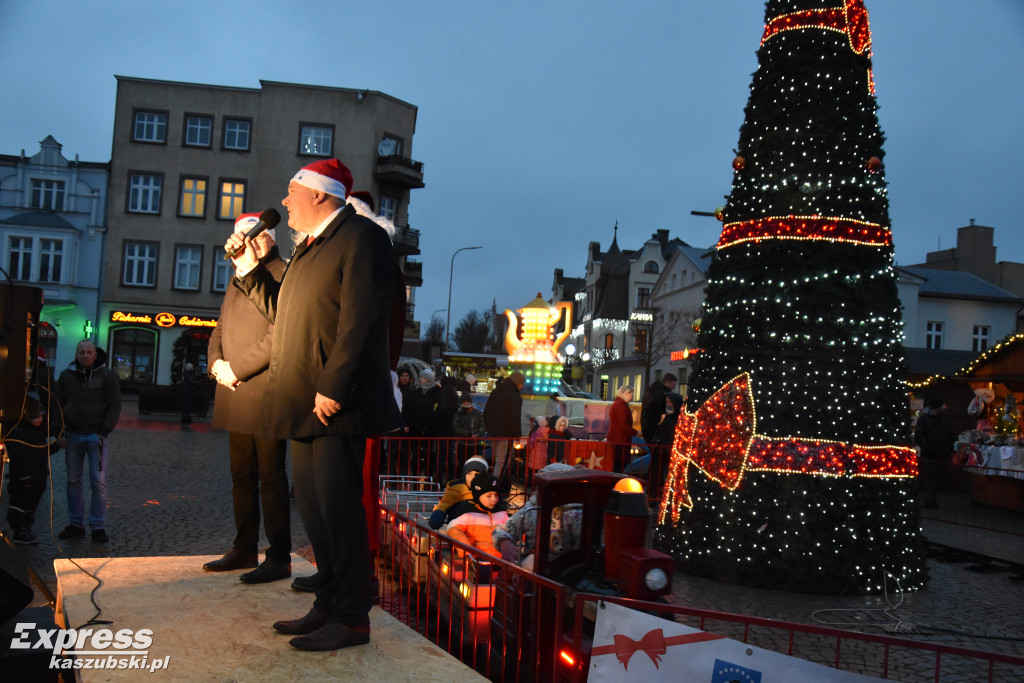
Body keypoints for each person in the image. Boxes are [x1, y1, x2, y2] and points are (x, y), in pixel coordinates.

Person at [227, 157, 400, 651]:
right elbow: (284, 316)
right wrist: (250, 269)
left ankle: (350, 618)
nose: (284, 201)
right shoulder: (310, 248)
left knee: (340, 511)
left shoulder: (362, 238)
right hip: (304, 403)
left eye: (291, 191)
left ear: (320, 194)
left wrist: (335, 384)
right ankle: (327, 602)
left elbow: (362, 320)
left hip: (333, 405)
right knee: (317, 511)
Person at [204, 212, 291, 583]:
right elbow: (220, 325)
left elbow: (279, 335)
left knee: (270, 478)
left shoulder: (283, 274)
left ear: (269, 239)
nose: (248, 242)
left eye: (254, 236)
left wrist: (236, 368)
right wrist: (216, 364)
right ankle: (243, 547)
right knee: (241, 476)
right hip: (234, 389)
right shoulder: (238, 274)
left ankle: (278, 555)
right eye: (241, 236)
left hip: (264, 390)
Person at [54, 340, 121, 542]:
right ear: (76, 355)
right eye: (81, 352)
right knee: (73, 481)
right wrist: (59, 433)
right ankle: (76, 524)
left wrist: (104, 430)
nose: (85, 355)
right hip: (73, 435)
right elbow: (57, 405)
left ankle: (98, 526)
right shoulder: (66, 376)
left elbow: (114, 405)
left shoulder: (107, 376)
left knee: (97, 482)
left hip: (96, 436)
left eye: (89, 352)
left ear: (95, 354)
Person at [493, 462, 582, 570]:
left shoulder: (576, 513)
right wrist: (504, 542)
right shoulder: (532, 507)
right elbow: (505, 528)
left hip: (562, 574)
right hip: (530, 568)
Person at [5, 397, 60, 544]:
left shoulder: (37, 431)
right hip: (24, 475)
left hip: (39, 473)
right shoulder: (18, 432)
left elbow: (41, 451)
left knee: (31, 503)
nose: (40, 419)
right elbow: (19, 456)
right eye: (36, 416)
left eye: (41, 415)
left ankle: (25, 529)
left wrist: (57, 445)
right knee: (21, 502)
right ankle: (20, 530)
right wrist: (23, 476)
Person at [445, 472, 509, 558]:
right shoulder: (469, 515)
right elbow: (454, 531)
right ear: (478, 496)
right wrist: (467, 551)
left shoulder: (502, 513)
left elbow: (514, 529)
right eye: (489, 496)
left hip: (504, 559)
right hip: (479, 559)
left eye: (496, 495)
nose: (494, 499)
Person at [483, 371, 525, 485]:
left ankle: (494, 486)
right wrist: (517, 435)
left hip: (493, 433)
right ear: (517, 383)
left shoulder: (495, 392)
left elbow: (486, 412)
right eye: (521, 384)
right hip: (506, 434)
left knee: (497, 461)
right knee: (502, 463)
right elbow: (515, 418)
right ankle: (495, 487)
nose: (522, 387)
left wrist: (489, 429)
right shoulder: (514, 396)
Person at [427, 455, 490, 530]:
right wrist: (438, 515)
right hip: (459, 528)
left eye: (477, 474)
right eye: (469, 473)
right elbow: (444, 504)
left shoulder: (489, 490)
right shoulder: (456, 489)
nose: (472, 477)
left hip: (481, 528)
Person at [914, 397, 953, 509]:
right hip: (930, 453)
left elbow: (948, 433)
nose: (945, 407)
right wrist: (928, 447)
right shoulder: (925, 419)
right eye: (943, 405)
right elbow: (919, 435)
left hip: (939, 452)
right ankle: (929, 499)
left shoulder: (941, 419)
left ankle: (931, 499)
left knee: (935, 477)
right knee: (930, 477)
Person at [640, 373, 678, 443]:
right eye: (673, 384)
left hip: (647, 426)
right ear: (667, 383)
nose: (674, 387)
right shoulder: (663, 394)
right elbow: (667, 411)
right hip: (656, 429)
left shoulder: (651, 391)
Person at [607, 385, 637, 472]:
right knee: (619, 464)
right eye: (631, 395)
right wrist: (635, 432)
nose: (632, 398)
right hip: (620, 440)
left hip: (616, 439)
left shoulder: (617, 404)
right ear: (626, 394)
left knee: (617, 464)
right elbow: (623, 424)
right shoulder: (621, 406)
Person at [451, 392, 486, 467]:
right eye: (464, 402)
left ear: (471, 402)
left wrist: (477, 434)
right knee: (462, 465)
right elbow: (456, 427)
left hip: (476, 445)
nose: (466, 404)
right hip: (462, 444)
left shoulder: (478, 413)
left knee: (475, 466)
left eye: (467, 402)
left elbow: (483, 426)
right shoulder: (458, 414)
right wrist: (468, 434)